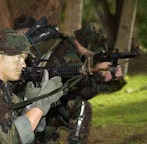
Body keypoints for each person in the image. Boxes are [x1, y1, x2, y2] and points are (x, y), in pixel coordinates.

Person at [13, 15, 125, 143]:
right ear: (88, 46)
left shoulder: (62, 43)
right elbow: (84, 90)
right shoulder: (69, 54)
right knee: (81, 107)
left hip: (33, 98)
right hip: (29, 101)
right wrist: (104, 78)